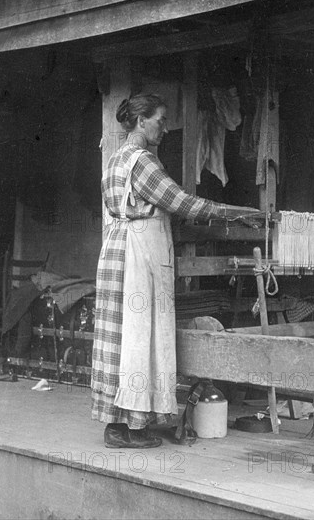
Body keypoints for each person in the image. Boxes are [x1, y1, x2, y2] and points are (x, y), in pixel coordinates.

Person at [91, 93, 259, 449]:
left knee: (122, 339)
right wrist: (235, 211)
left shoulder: (114, 160)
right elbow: (181, 202)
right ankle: (133, 428)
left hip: (117, 250)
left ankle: (118, 425)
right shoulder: (142, 162)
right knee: (139, 338)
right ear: (140, 121)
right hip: (137, 256)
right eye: (160, 120)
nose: (165, 128)